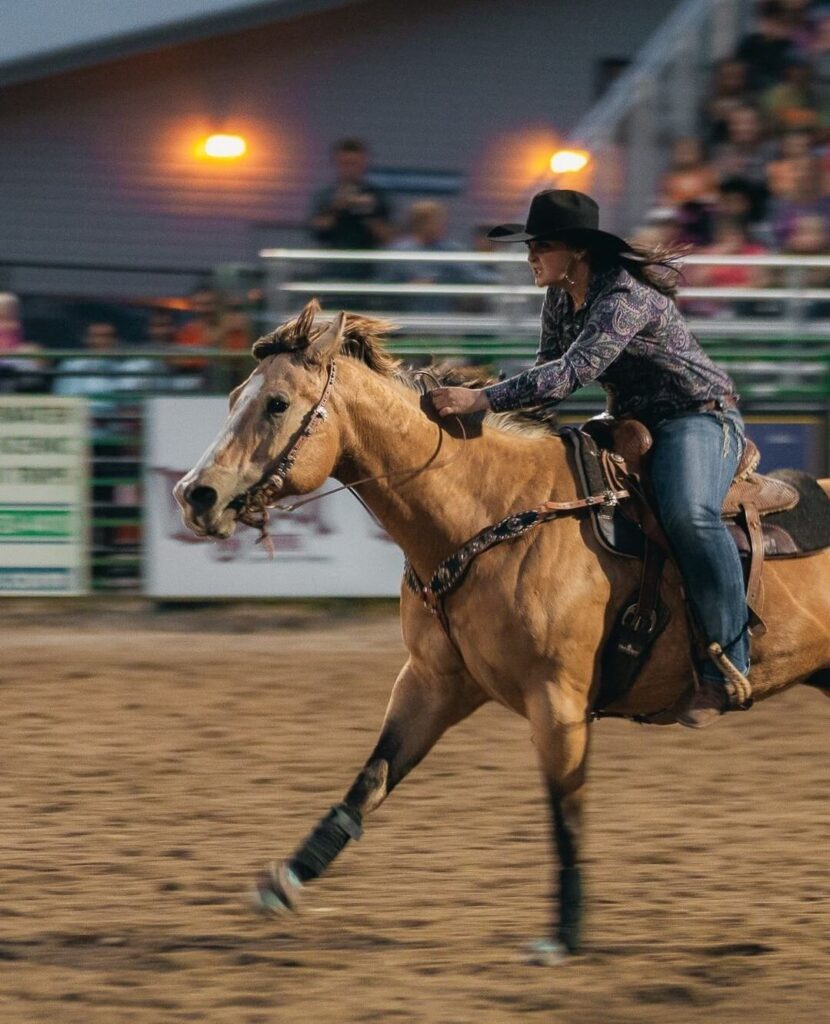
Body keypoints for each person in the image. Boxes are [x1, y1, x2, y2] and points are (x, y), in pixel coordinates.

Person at [430, 189, 750, 728]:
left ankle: (728, 665)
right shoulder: (560, 296)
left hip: (697, 417)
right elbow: (546, 376)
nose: (531, 256)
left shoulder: (623, 297)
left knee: (690, 516)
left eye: (542, 245)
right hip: (631, 420)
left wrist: (482, 399)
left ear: (577, 251)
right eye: (530, 245)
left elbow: (568, 374)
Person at [307, 138, 392, 278]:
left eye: (354, 164)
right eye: (345, 164)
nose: (349, 169)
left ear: (364, 164)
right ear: (336, 164)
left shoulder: (376, 196)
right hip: (330, 271)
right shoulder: (325, 196)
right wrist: (336, 208)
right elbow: (315, 231)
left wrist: (368, 213)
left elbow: (388, 238)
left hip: (367, 273)